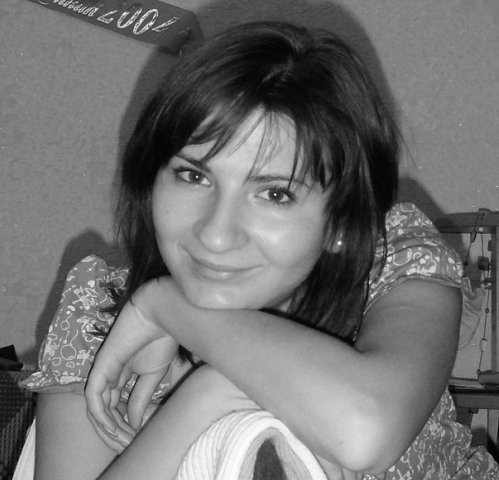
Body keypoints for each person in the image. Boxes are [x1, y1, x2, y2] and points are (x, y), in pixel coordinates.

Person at [21, 21, 499, 480]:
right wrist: (213, 392)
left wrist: (165, 306)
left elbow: (364, 431)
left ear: (340, 221)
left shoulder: (395, 259)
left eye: (274, 194)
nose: (216, 234)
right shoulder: (99, 309)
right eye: (193, 175)